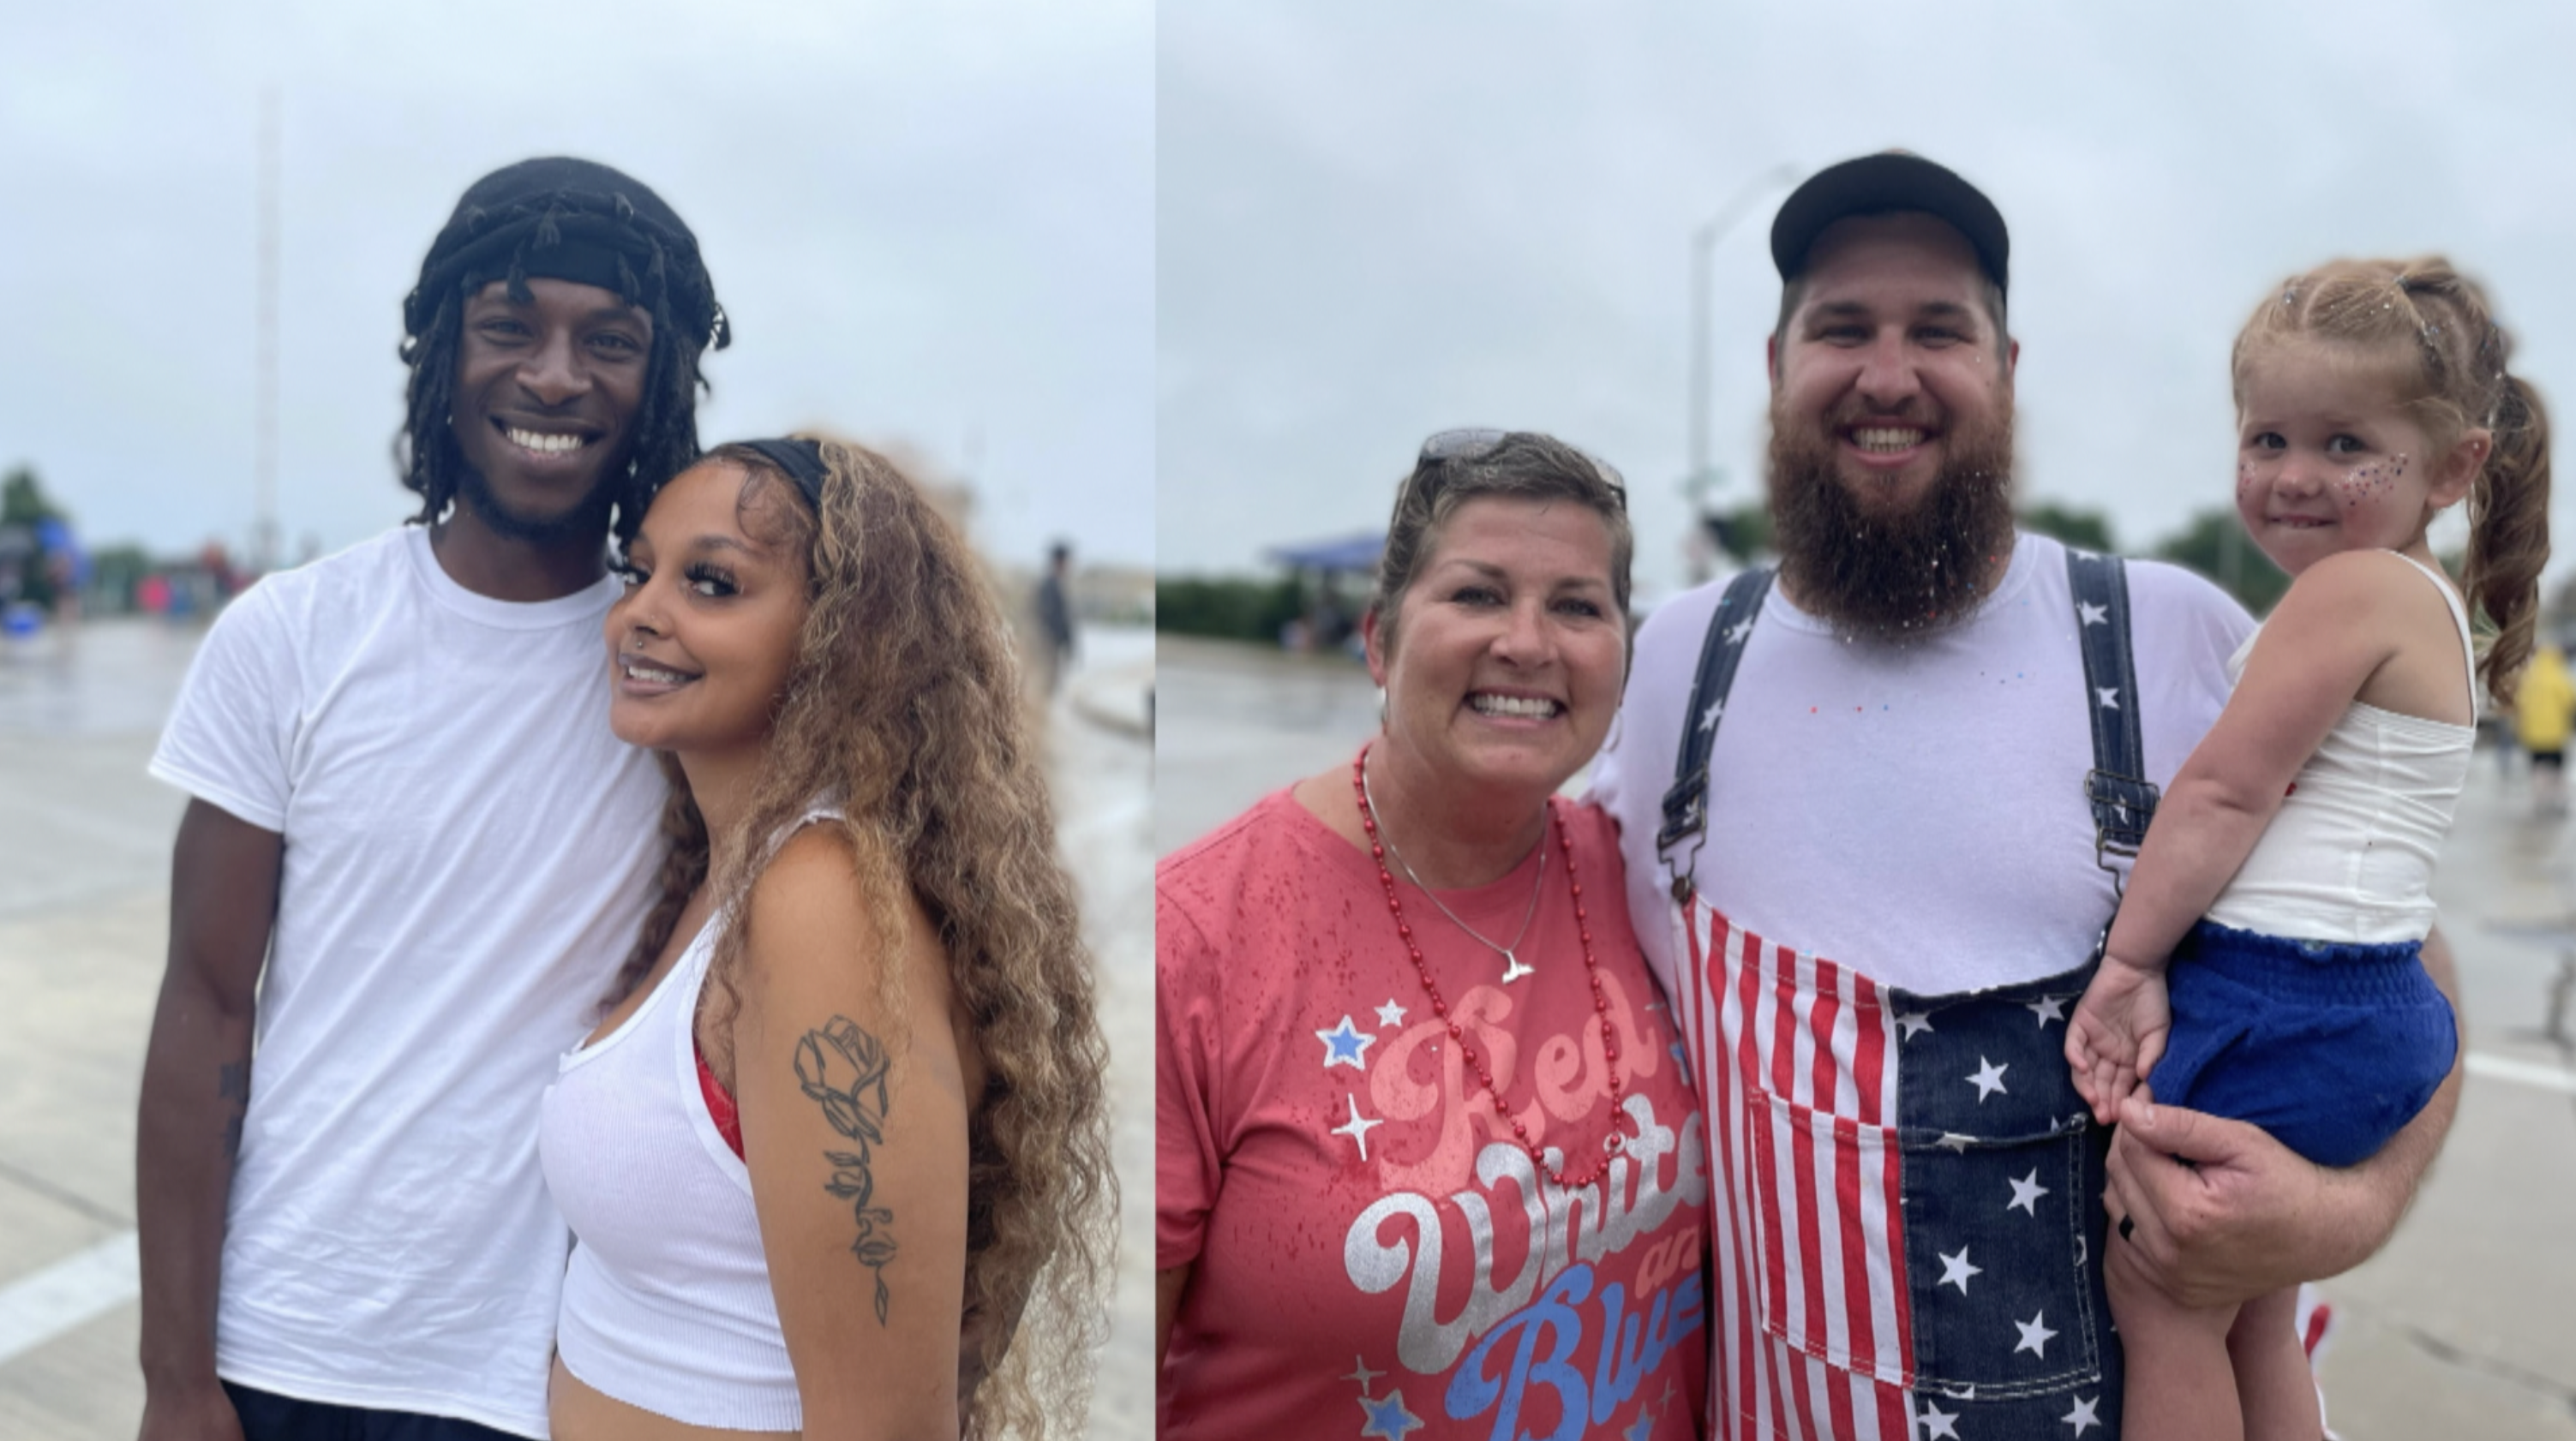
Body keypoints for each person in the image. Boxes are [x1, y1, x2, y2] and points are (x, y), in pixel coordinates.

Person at [1590, 152, 2464, 1439]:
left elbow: (2405, 965)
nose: (1888, 374)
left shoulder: (2171, 640)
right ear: (1777, 364)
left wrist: (2343, 1209)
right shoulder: (1677, 661)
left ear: (2005, 368)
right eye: (1843, 328)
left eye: (1939, 331)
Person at [137, 157, 728, 1440]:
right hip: (279, 1343)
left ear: (665, 380)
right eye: (511, 326)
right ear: (443, 352)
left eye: (611, 341)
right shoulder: (292, 634)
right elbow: (204, 999)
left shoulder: (683, 671)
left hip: (550, 1375)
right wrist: (176, 1376)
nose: (556, 376)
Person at [542, 437, 1112, 1438]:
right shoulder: (724, 865)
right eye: (640, 572)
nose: (639, 611)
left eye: (712, 582)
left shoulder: (821, 899)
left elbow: (885, 1423)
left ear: (843, 637)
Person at [2065, 259, 2548, 1440]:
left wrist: (2128, 965)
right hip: (2365, 1006)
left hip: (2283, 995)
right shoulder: (2421, 600)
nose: (2293, 474)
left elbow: (2224, 792)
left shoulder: (2351, 591)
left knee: (2164, 1291)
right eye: (2266, 437)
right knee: (2252, 1310)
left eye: (2345, 444)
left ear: (2452, 468)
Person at [1157, 431, 1711, 1441]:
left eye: (1578, 606)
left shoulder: (1647, 877)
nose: (1528, 642)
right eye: (1477, 593)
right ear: (1378, 640)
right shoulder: (1198, 934)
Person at [2515, 639, 2573, 811]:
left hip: (2533, 734)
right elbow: (2570, 701)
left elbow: (2520, 703)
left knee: (2537, 767)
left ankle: (2540, 800)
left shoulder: (2529, 679)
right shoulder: (2559, 677)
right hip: (2555, 734)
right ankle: (2558, 799)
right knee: (2557, 768)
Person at [1034, 540, 1077, 695]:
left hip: (1054, 646)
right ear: (1059, 562)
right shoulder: (1050, 586)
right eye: (1065, 562)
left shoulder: (1057, 584)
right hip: (1048, 647)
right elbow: (1048, 618)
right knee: (1047, 686)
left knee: (1052, 685)